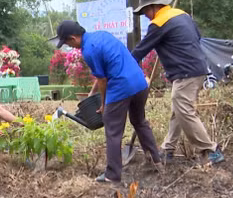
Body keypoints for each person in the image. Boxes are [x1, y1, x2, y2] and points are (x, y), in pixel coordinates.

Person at [55, 21, 162, 183]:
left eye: (68, 43)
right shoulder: (101, 35)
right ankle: (156, 160)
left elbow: (103, 80)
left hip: (121, 86)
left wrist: (104, 104)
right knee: (140, 121)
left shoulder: (88, 50)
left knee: (112, 129)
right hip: (140, 83)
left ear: (73, 38)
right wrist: (91, 94)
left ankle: (112, 174)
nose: (70, 46)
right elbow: (102, 74)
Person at [131, 0, 225, 164]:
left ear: (153, 7)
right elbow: (197, 36)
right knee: (178, 110)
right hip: (197, 68)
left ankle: (210, 149)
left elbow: (140, 50)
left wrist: (123, 65)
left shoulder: (159, 23)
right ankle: (168, 149)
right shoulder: (183, 15)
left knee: (183, 110)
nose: (145, 16)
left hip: (186, 72)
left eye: (145, 12)